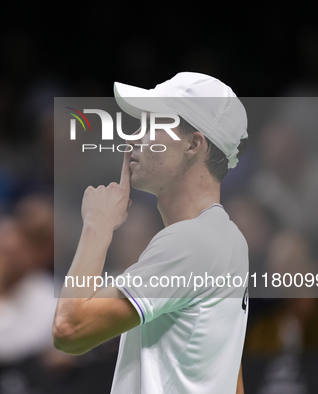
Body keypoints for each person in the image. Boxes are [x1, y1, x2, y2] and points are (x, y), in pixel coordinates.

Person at [53, 72, 249, 394]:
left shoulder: (190, 243)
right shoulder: (229, 239)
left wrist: (97, 225)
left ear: (193, 144)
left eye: (151, 125)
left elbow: (69, 329)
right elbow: (229, 376)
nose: (132, 139)